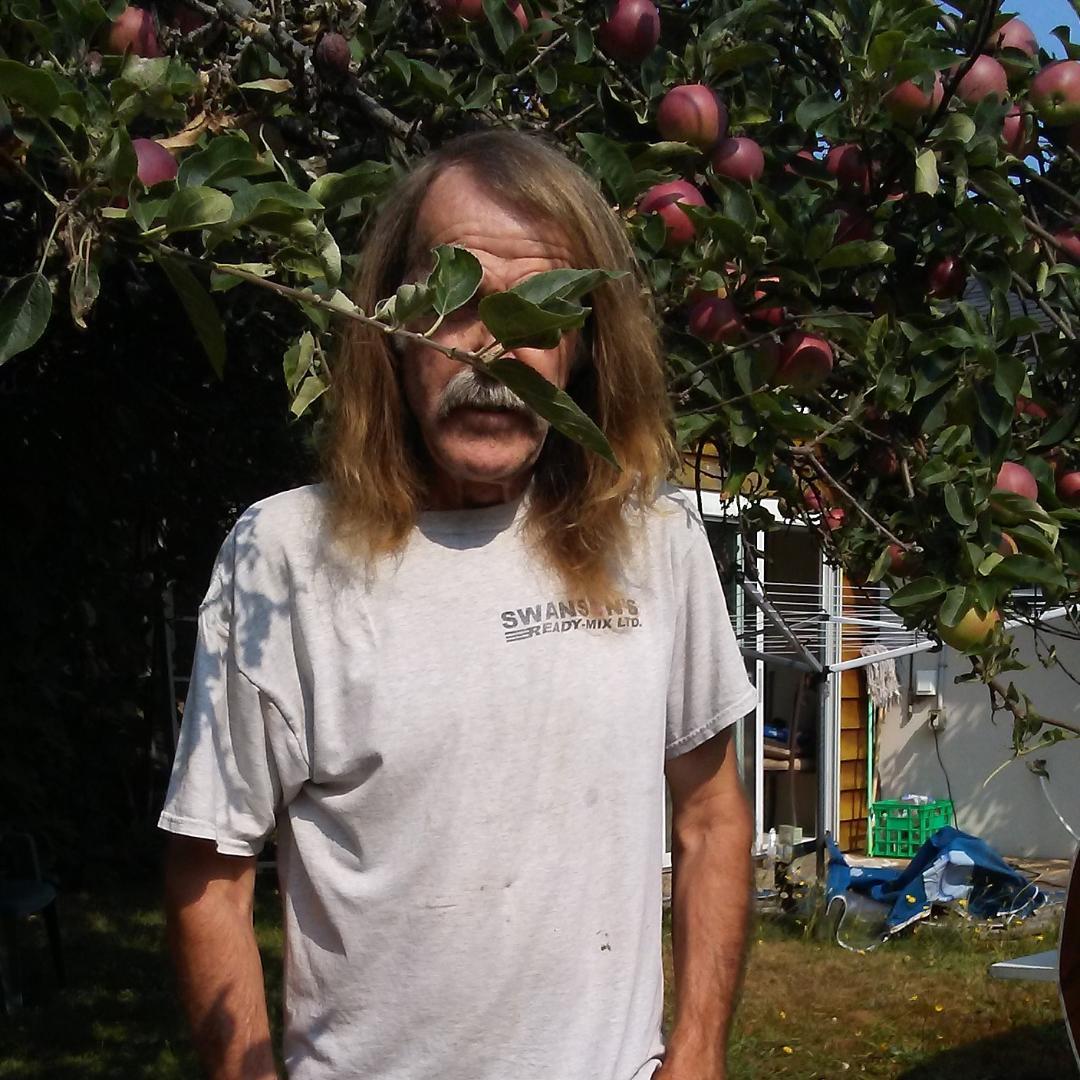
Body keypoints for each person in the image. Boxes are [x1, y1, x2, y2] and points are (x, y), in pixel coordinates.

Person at [159, 128, 757, 1080]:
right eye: (455, 297)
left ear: (588, 343)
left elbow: (713, 817)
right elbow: (210, 866)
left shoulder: (657, 545)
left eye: (539, 305)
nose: (496, 344)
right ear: (388, 329)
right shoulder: (283, 559)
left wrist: (697, 1053)